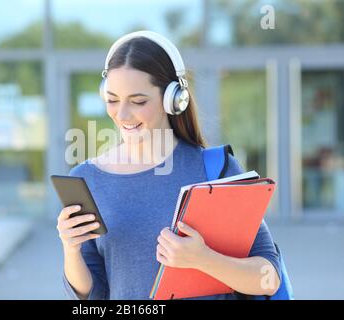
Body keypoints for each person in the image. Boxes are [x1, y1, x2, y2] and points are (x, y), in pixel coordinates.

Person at [56, 31, 281, 300]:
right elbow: (93, 296)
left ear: (174, 99)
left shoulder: (216, 169)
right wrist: (70, 250)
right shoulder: (86, 180)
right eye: (113, 100)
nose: (123, 114)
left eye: (138, 101)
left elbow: (269, 278)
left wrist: (203, 259)